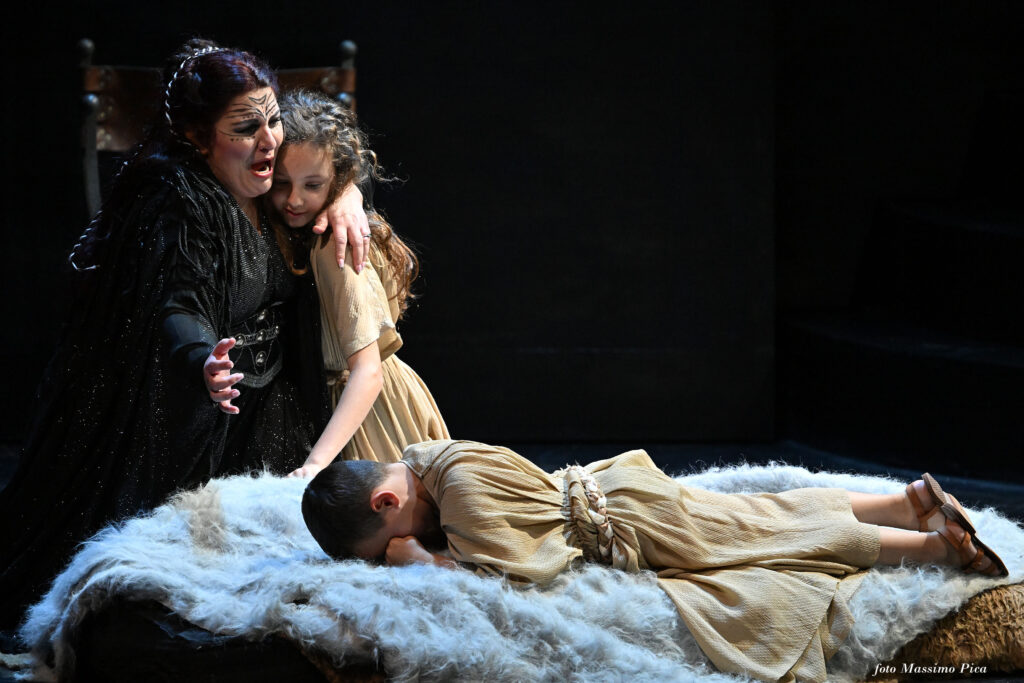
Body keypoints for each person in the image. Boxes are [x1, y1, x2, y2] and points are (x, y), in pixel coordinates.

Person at [0, 39, 369, 636]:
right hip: (192, 413)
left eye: (273, 120)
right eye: (245, 129)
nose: (270, 141)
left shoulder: (272, 181)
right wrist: (202, 360)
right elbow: (178, 300)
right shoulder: (178, 199)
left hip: (269, 406)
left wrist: (349, 192)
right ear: (199, 139)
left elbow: (328, 161)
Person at [301, 439, 1009, 683]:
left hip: (638, 518)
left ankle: (932, 546)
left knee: (770, 537)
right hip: (620, 485)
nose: (397, 550)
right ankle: (904, 504)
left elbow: (513, 572)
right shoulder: (433, 455)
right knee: (763, 514)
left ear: (386, 502)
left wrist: (418, 558)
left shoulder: (460, 503)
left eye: (384, 542)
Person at [267, 89, 448, 476]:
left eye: (312, 185)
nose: (294, 199)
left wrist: (314, 465)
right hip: (353, 403)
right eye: (282, 183)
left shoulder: (335, 244)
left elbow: (367, 371)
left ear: (340, 177)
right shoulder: (308, 232)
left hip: (368, 413)